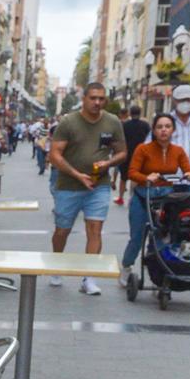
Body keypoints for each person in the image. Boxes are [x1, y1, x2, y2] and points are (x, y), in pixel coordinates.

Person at [47, 83, 128, 295]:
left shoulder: (112, 122)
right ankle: (56, 265)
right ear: (84, 98)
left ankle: (88, 278)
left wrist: (108, 164)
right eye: (93, 98)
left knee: (95, 229)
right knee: (62, 230)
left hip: (98, 184)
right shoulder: (69, 122)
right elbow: (54, 155)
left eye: (101, 98)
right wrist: (76, 174)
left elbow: (122, 152)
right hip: (69, 185)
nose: (97, 102)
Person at [119, 113, 190, 287]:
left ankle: (158, 272)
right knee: (137, 236)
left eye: (167, 127)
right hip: (144, 196)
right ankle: (126, 266)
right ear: (154, 131)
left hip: (166, 199)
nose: (164, 130)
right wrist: (146, 177)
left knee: (162, 236)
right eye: (159, 127)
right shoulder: (143, 149)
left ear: (173, 130)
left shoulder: (178, 151)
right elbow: (132, 172)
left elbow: (188, 169)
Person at [154, 84, 190, 173]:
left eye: (188, 99)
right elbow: (150, 146)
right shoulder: (165, 120)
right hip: (168, 178)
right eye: (182, 100)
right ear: (174, 100)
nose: (185, 103)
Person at [119, 106, 150, 206]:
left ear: (130, 113)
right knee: (136, 177)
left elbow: (121, 139)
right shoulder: (145, 125)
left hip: (126, 153)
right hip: (141, 154)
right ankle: (132, 197)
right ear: (140, 113)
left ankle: (121, 197)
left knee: (123, 177)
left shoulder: (125, 125)